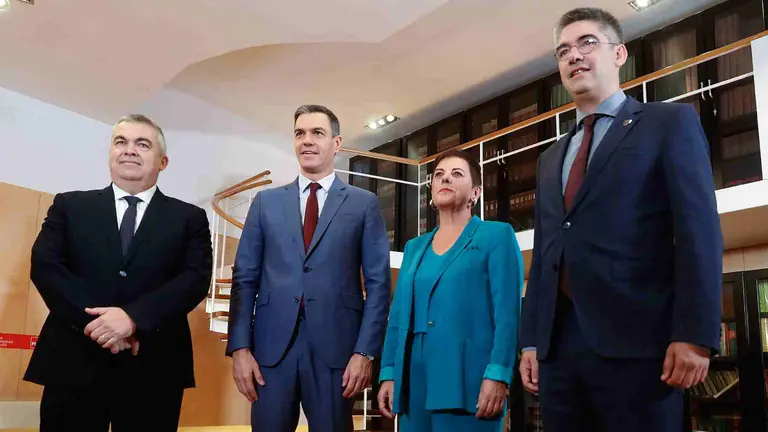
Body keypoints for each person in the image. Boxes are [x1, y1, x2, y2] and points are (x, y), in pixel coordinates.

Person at [518, 7, 723, 432]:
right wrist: (532, 340)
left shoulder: (668, 124)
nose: (573, 55)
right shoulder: (550, 157)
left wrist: (695, 334)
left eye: (587, 42)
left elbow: (697, 234)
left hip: (642, 347)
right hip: (559, 351)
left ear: (619, 54)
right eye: (563, 51)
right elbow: (545, 257)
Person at [25, 114, 213, 431]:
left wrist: (132, 319)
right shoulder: (69, 206)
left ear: (163, 161)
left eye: (142, 144)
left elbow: (194, 280)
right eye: (120, 142)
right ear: (111, 153)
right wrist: (100, 325)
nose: (129, 150)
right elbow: (46, 267)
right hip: (74, 360)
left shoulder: (189, 218)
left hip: (154, 365)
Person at [226, 104, 392, 432]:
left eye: (317, 133)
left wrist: (365, 352)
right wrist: (240, 349)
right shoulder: (265, 203)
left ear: (337, 142)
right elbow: (244, 279)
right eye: (300, 133)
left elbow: (378, 286)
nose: (307, 141)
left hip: (337, 352)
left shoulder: (363, 203)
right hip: (270, 353)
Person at [376, 149, 523, 431]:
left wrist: (499, 374)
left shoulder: (496, 236)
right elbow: (397, 317)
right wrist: (389, 373)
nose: (446, 179)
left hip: (468, 379)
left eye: (457, 174)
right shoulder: (413, 248)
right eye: (439, 175)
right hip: (412, 383)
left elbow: (508, 315)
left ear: (475, 193)